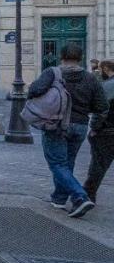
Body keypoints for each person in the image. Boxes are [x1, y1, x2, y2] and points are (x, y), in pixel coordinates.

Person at [28, 43, 106, 219]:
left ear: (61, 56)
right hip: (80, 126)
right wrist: (94, 126)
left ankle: (80, 196)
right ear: (81, 57)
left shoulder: (53, 73)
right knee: (67, 163)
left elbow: (34, 90)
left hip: (57, 124)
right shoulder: (90, 78)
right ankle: (59, 199)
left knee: (57, 164)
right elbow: (102, 106)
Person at [84, 60, 114, 203]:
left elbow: (101, 110)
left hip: (107, 132)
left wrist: (94, 128)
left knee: (98, 166)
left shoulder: (109, 86)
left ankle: (88, 196)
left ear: (106, 69)